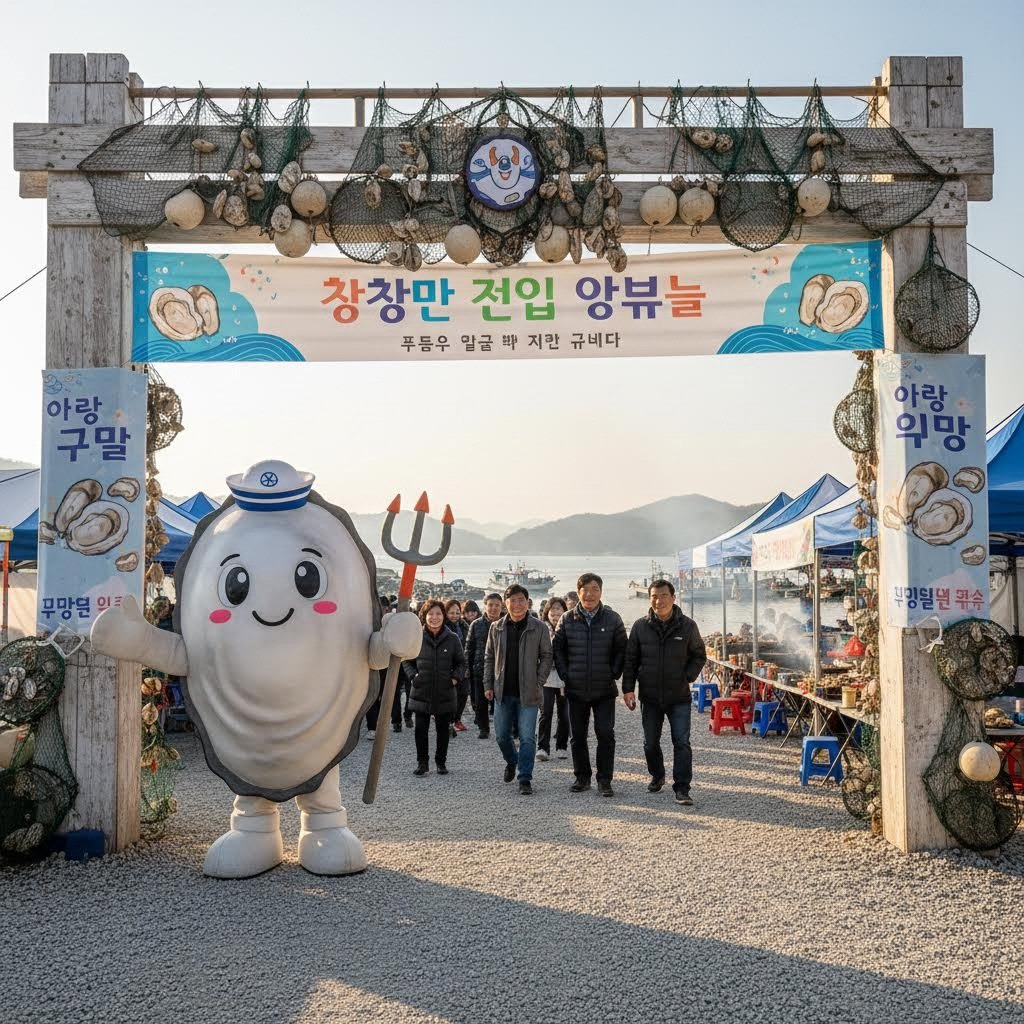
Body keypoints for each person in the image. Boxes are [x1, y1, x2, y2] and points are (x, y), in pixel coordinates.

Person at [622, 579, 707, 806]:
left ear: (673, 598)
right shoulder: (640, 626)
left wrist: (687, 676)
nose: (659, 601)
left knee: (681, 742)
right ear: (649, 599)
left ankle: (682, 788)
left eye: (663, 596)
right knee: (650, 742)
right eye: (654, 597)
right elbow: (630, 660)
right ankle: (657, 775)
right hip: (649, 696)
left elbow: (700, 655)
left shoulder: (688, 626)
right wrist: (628, 689)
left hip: (678, 696)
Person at [553, 573, 627, 797]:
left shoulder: (612, 619)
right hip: (576, 688)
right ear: (579, 592)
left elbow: (622, 649)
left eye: (595, 589)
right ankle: (582, 777)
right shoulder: (567, 619)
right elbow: (558, 649)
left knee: (605, 734)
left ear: (601, 592)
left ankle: (605, 780)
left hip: (604, 689)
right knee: (578, 736)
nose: (591, 593)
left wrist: (614, 672)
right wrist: (566, 674)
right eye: (586, 589)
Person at [483, 584, 553, 795]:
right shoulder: (496, 628)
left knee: (527, 737)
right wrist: (488, 684)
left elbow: (547, 656)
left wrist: (539, 681)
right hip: (502, 691)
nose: (517, 604)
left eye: (521, 599)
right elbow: (488, 658)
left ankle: (525, 778)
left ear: (528, 602)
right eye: (512, 600)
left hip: (529, 693)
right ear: (506, 603)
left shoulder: (538, 627)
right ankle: (512, 761)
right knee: (502, 736)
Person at [402, 598, 466, 776]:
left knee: (443, 729)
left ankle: (441, 762)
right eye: (431, 614)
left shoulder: (452, 638)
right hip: (421, 690)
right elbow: (406, 660)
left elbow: (461, 663)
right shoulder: (416, 637)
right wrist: (414, 676)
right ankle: (422, 763)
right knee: (420, 729)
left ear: (443, 616)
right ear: (424, 616)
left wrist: (454, 679)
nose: (434, 617)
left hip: (445, 691)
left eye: (438, 613)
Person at [466, 592, 503, 739]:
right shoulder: (476, 624)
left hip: (502, 669)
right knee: (480, 702)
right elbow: (469, 647)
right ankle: (483, 728)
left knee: (502, 701)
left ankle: (505, 728)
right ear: (485, 606)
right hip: (479, 668)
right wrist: (468, 668)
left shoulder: (506, 623)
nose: (494, 608)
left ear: (502, 606)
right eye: (491, 605)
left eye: (497, 605)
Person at [537, 597, 570, 761]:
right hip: (546, 676)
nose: (556, 613)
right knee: (546, 712)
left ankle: (562, 746)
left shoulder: (569, 627)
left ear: (564, 611)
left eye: (559, 609)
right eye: (553, 610)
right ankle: (543, 747)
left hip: (564, 677)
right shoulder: (541, 629)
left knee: (564, 713)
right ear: (547, 612)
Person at [445, 599, 471, 734]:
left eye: (457, 612)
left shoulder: (464, 625)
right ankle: (449, 721)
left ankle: (457, 719)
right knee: (451, 695)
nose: (454, 615)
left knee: (464, 693)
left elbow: (469, 645)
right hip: (449, 666)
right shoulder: (443, 626)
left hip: (463, 664)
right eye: (451, 613)